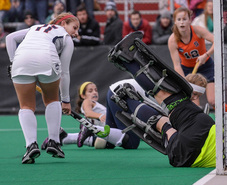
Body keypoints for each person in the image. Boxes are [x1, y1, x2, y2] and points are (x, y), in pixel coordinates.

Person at [108, 32, 215, 167]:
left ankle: (125, 59)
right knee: (163, 123)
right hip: (187, 154)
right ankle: (128, 95)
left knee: (164, 99)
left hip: (204, 129)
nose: (195, 97)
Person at [5, 12, 79, 164]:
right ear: (63, 24)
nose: (76, 33)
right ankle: (54, 141)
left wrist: (13, 63)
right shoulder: (66, 37)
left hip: (21, 59)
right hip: (47, 58)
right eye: (75, 27)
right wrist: (65, 100)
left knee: (26, 106)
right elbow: (64, 73)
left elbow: (10, 38)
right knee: (52, 100)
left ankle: (30, 145)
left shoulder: (35, 27)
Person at [41, 81, 130, 150]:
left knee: (107, 144)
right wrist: (100, 116)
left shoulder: (96, 103)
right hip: (104, 127)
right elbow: (88, 113)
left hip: (103, 130)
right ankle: (85, 130)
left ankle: (62, 137)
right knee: (125, 138)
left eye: (96, 90)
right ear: (83, 95)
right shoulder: (88, 101)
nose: (94, 92)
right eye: (90, 91)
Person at [168, 7, 215, 108]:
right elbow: (176, 65)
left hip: (206, 66)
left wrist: (206, 55)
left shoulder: (198, 31)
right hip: (188, 71)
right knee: (194, 104)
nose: (182, 23)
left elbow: (217, 42)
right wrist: (185, 82)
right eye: (179, 20)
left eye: (184, 19)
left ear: (190, 20)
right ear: (175, 21)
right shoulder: (172, 40)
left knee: (213, 101)